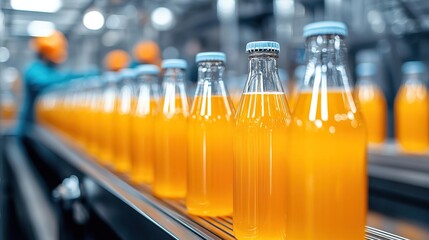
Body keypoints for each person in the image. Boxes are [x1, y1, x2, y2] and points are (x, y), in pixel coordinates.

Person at [17, 31, 96, 135]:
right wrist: (84, 75)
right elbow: (49, 82)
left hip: (39, 127)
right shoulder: (33, 70)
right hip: (28, 129)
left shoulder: (49, 71)